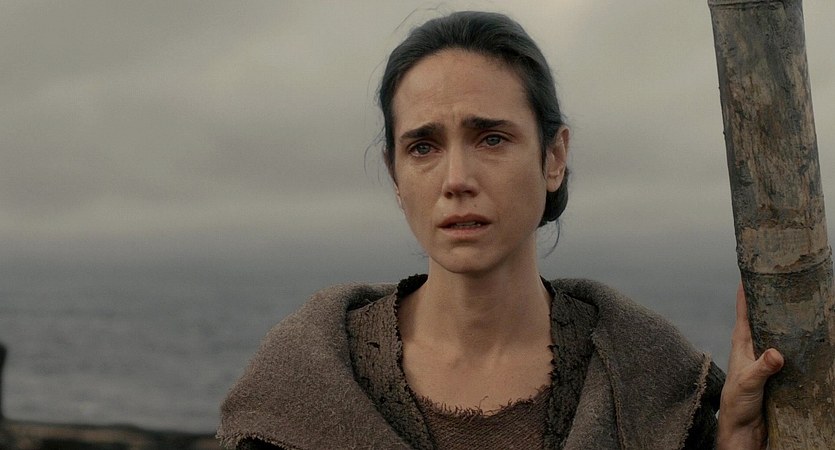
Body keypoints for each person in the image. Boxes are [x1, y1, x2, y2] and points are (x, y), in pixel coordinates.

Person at [217, 11, 783, 450]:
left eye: (491, 139)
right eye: (423, 147)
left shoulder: (652, 385)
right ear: (395, 176)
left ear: (553, 157)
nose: (456, 180)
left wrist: (732, 440)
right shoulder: (304, 383)